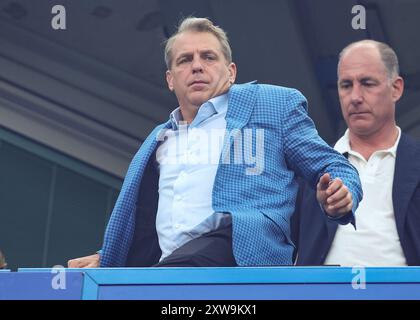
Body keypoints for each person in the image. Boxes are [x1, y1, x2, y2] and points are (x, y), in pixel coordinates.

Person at [68, 17, 362, 268]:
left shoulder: (273, 104)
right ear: (170, 79)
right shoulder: (159, 140)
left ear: (231, 72)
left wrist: (342, 192)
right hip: (172, 270)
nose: (197, 66)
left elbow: (332, 164)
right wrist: (108, 257)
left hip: (240, 258)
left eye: (208, 57)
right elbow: (143, 222)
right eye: (185, 60)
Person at [292, 40, 420, 266]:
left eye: (367, 83)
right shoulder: (307, 169)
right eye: (346, 85)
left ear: (396, 88)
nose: (355, 97)